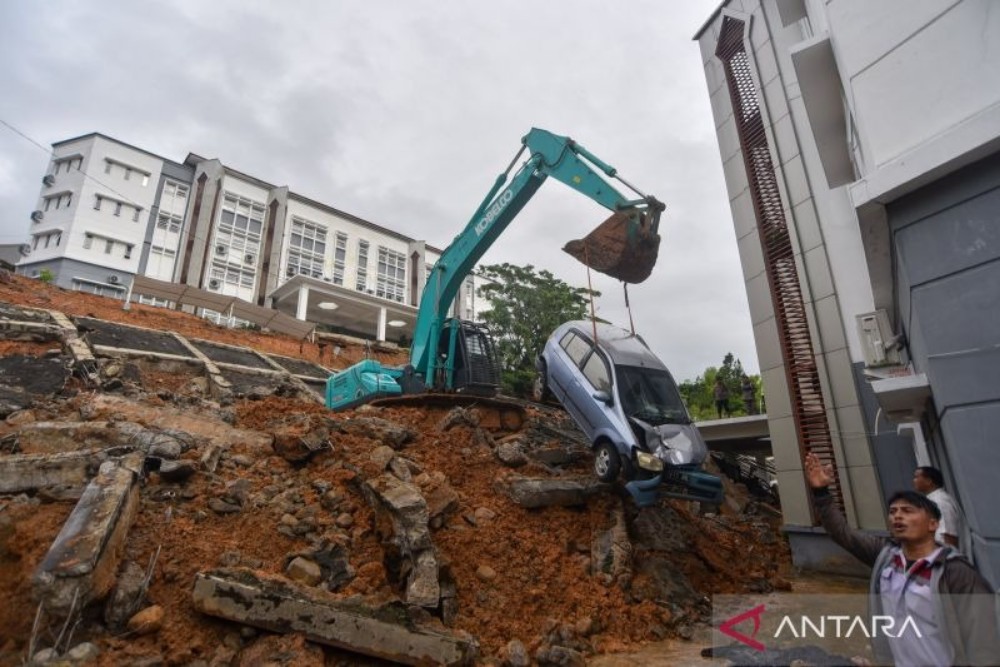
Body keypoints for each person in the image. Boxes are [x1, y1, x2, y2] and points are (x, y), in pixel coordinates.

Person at [804, 452, 999, 666]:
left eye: (907, 511)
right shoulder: (886, 558)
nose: (897, 516)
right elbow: (843, 534)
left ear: (933, 524)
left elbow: (985, 647)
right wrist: (821, 492)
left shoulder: (958, 575)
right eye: (893, 511)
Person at [913, 466, 962, 548]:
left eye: (916, 477)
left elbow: (949, 534)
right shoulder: (931, 500)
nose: (914, 481)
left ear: (928, 481)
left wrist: (947, 559)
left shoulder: (940, 501)